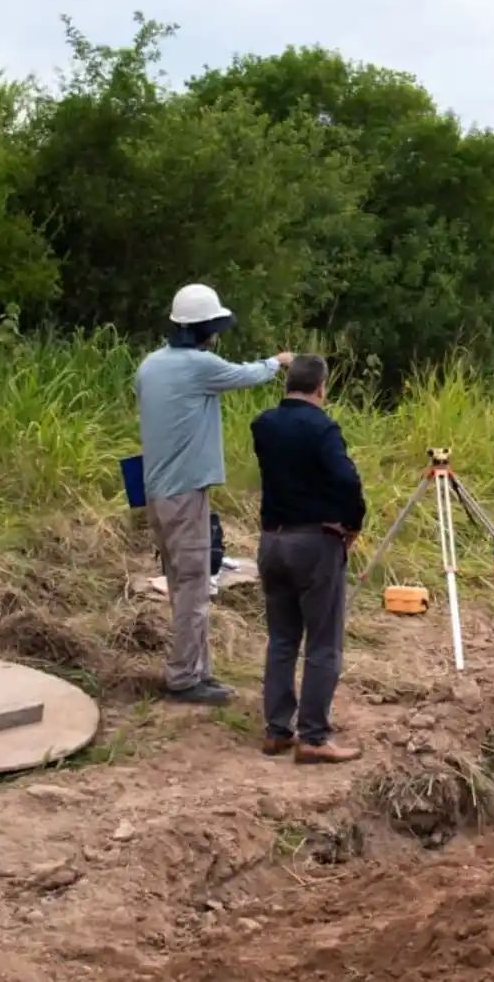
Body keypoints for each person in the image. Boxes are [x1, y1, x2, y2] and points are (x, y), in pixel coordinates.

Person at [135, 283, 291, 705]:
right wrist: (277, 362)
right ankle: (184, 678)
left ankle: (197, 670)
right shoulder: (199, 366)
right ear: (202, 328)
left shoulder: (150, 365)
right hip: (185, 493)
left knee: (181, 583)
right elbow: (246, 375)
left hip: (156, 492)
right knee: (194, 587)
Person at [250, 354, 366, 765]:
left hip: (272, 540)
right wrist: (352, 523)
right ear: (321, 388)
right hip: (315, 542)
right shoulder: (323, 428)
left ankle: (277, 730)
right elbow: (347, 479)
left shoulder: (263, 424)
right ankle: (314, 735)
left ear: (288, 385)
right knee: (322, 642)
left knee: (282, 639)